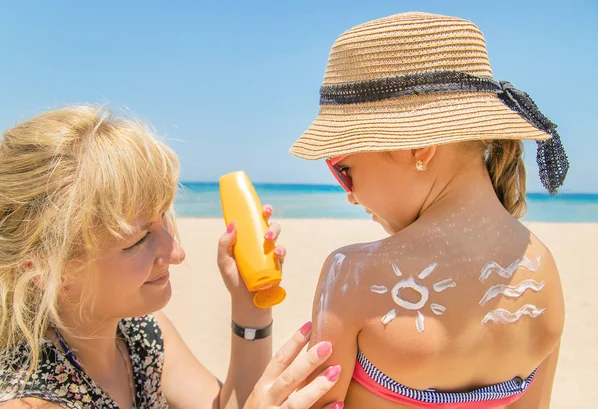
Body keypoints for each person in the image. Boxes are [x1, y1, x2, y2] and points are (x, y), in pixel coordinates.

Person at [289, 12, 569, 409]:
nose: (349, 195)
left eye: (344, 169)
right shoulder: (543, 266)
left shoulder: (350, 275)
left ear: (418, 148)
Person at [0, 106, 344, 409]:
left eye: (163, 218)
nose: (176, 253)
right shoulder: (28, 400)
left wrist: (250, 306)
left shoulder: (137, 332)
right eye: (138, 240)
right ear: (47, 271)